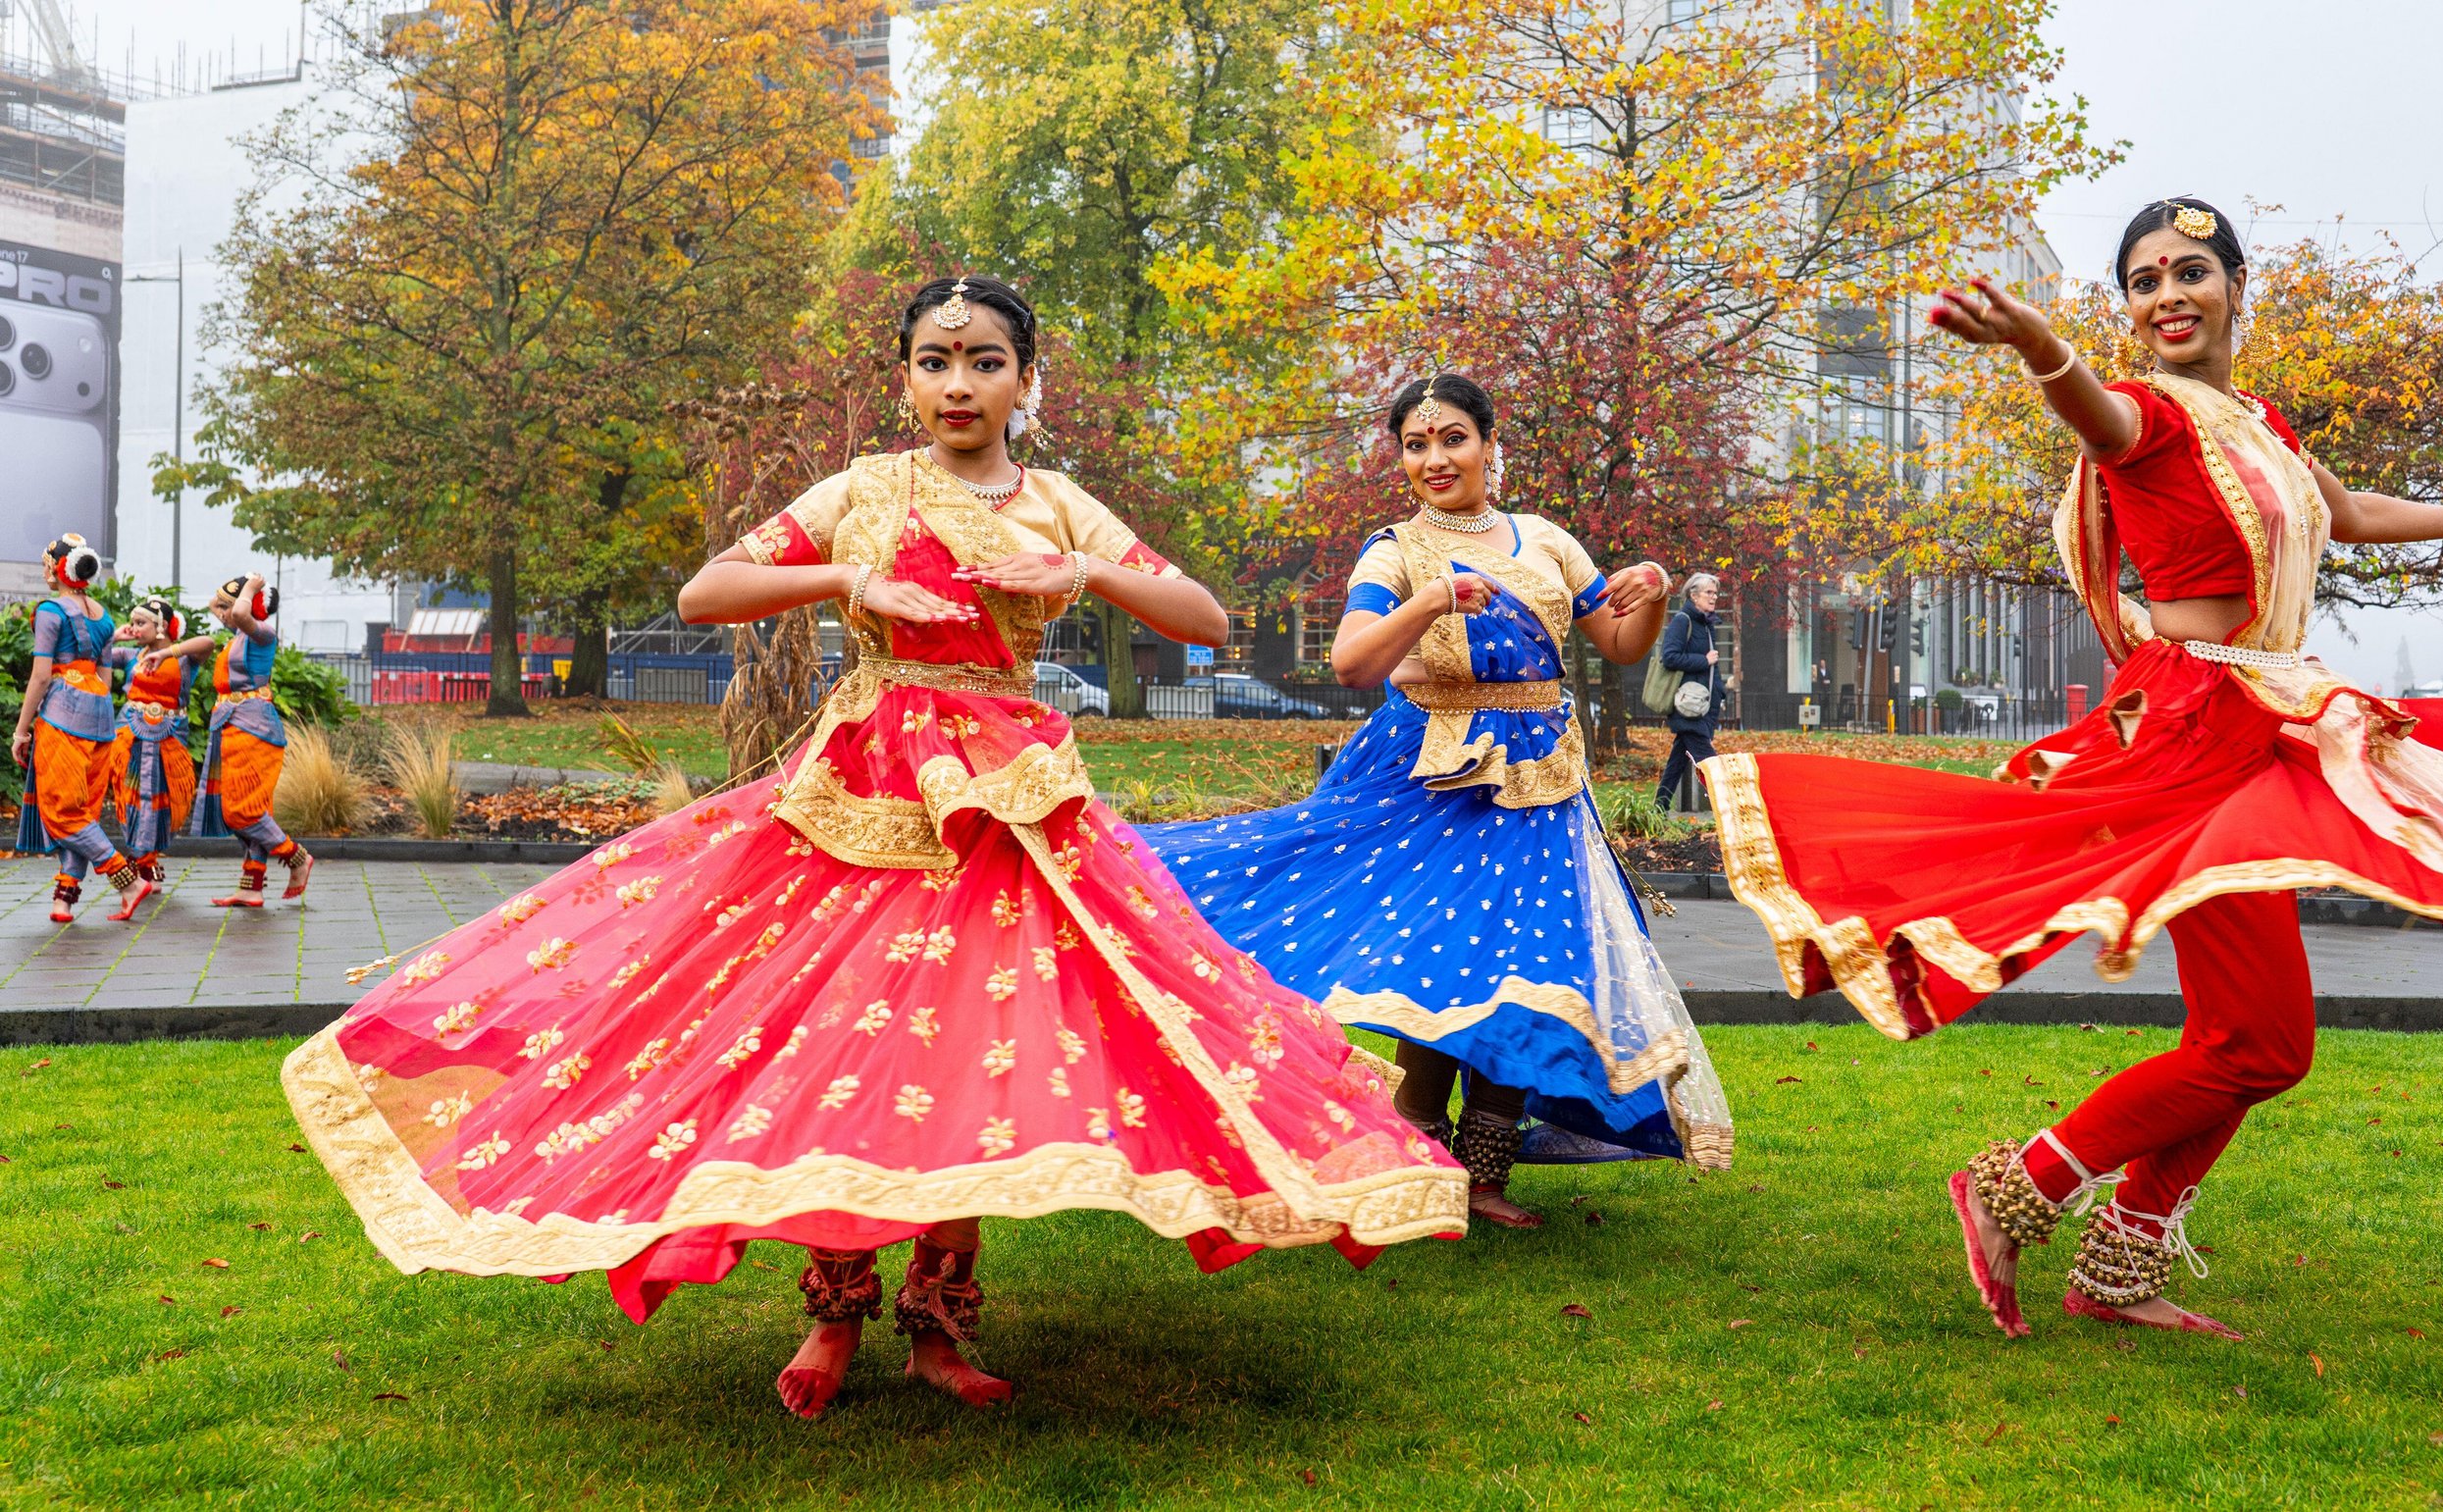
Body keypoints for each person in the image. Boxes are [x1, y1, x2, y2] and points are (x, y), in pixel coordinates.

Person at [277, 275, 1464, 1423]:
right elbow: (705, 591)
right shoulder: (866, 487)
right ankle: (834, 1308)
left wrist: (1084, 569)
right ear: (904, 379)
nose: (958, 384)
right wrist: (851, 576)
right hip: (862, 792)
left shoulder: (1058, 502)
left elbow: (1204, 617)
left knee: (971, 1049)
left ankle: (940, 1322)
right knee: (841, 1036)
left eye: (985, 362)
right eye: (934, 362)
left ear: (1027, 381)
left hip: (1005, 806)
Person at [1703, 197, 2443, 1342]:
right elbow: (2095, 414)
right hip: (2197, 732)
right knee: (2262, 1042)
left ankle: (2119, 1255)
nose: (2168, 295)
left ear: (2236, 287)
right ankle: (2019, 1186)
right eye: (2144, 280)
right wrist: (2040, 346)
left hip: (2268, 718)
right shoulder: (2150, 416)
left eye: (2190, 272)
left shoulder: (2257, 422)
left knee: (2246, 1038)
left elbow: (2345, 513)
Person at [1140, 373, 1736, 1231]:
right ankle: (1414, 1161)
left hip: (1543, 782)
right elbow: (1353, 663)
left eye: (1453, 438)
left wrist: (1653, 598)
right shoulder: (1394, 551)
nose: (1435, 458)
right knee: (1442, 963)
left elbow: (1617, 641)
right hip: (1435, 775)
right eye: (1416, 445)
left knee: (1528, 971)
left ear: (1491, 445)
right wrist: (1430, 599)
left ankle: (1482, 1176)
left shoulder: (1546, 540)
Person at [9, 535, 152, 922]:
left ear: (59, 569)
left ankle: (128, 881)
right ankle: (64, 899)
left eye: (46, 564)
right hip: (99, 716)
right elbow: (104, 678)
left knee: (62, 810)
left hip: (63, 716)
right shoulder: (103, 616)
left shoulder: (50, 611)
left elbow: (41, 676)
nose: (45, 571)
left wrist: (21, 731)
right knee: (82, 811)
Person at [177, 575, 315, 907]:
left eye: (229, 606)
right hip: (231, 726)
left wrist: (251, 586)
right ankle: (251, 887)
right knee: (251, 808)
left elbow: (239, 614)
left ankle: (296, 857)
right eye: (224, 606)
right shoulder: (238, 636)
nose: (223, 613)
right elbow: (218, 606)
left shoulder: (262, 633)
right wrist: (233, 591)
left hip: (253, 728)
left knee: (242, 810)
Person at [108, 597, 201, 892]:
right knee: (133, 795)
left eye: (140, 623)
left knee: (162, 798)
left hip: (169, 737)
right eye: (133, 623)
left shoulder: (184, 659)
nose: (134, 628)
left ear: (161, 625)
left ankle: (147, 861)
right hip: (131, 735)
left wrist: (166, 652)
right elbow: (95, 656)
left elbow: (208, 643)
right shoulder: (132, 655)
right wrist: (114, 637)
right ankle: (144, 865)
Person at [1654, 573, 1728, 810]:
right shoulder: (1682, 621)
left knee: (1677, 761)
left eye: (1715, 593)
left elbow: (1712, 670)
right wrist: (1703, 660)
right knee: (1709, 762)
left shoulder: (1706, 624)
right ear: (1693, 596)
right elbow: (1669, 657)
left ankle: (1659, 809)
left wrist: (1720, 692)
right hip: (1688, 706)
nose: (1714, 597)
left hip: (1702, 706)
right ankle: (1729, 809)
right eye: (1709, 592)